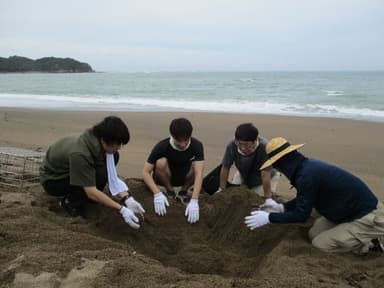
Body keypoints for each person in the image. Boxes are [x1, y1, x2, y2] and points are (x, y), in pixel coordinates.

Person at [244, 137, 384, 254]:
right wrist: (281, 207)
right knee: (314, 233)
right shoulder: (305, 168)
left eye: (276, 165)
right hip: (345, 213)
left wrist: (269, 218)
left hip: (368, 215)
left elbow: (301, 215)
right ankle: (360, 238)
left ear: (282, 163)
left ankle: (370, 243)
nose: (278, 169)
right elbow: (306, 197)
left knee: (321, 245)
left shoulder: (306, 176)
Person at [40, 116, 145, 229]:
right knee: (99, 176)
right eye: (117, 144)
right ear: (104, 141)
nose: (119, 147)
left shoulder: (99, 143)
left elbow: (111, 177)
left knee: (112, 159)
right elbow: (91, 191)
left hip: (72, 170)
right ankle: (69, 203)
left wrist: (127, 199)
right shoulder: (81, 153)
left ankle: (84, 198)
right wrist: (121, 209)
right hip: (53, 179)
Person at [142, 117, 204, 224]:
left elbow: (199, 173)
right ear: (171, 135)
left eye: (186, 140)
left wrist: (194, 200)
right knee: (160, 162)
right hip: (165, 176)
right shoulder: (162, 146)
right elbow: (145, 171)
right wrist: (157, 193)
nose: (183, 144)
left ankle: (183, 192)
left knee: (198, 166)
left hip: (185, 178)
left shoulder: (197, 145)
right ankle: (170, 191)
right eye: (179, 141)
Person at [218, 123, 279, 200]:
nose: (243, 148)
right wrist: (221, 190)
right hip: (244, 173)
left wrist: (267, 198)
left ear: (255, 141)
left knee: (257, 199)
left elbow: (265, 174)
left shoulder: (265, 147)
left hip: (267, 175)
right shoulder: (232, 145)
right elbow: (225, 167)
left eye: (247, 145)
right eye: (240, 144)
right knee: (234, 195)